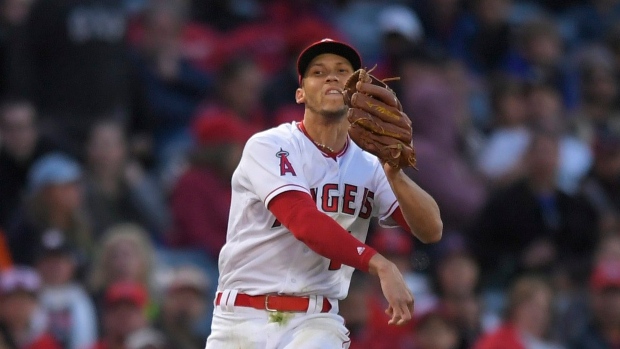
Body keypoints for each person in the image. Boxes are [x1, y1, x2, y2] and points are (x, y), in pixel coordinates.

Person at [204, 38, 443, 348]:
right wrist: (380, 264)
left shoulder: (370, 165)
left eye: (342, 71)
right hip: (242, 316)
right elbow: (302, 220)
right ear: (300, 93)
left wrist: (394, 174)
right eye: (318, 72)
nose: (331, 77)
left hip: (315, 320)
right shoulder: (271, 145)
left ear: (357, 92)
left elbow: (430, 229)